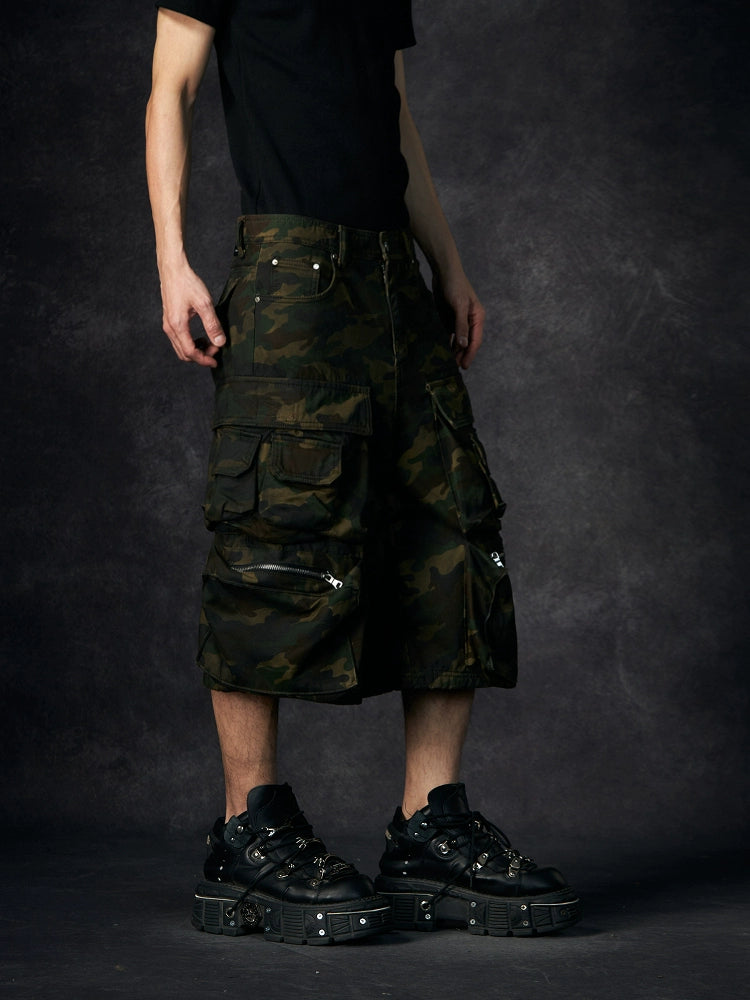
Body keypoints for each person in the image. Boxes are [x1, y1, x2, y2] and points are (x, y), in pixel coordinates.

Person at [145, 1, 580, 944]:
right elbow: (170, 86)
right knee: (271, 536)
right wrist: (171, 260)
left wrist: (447, 264)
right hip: (290, 271)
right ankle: (248, 828)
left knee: (451, 529)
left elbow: (394, 112)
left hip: (393, 278)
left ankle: (429, 825)